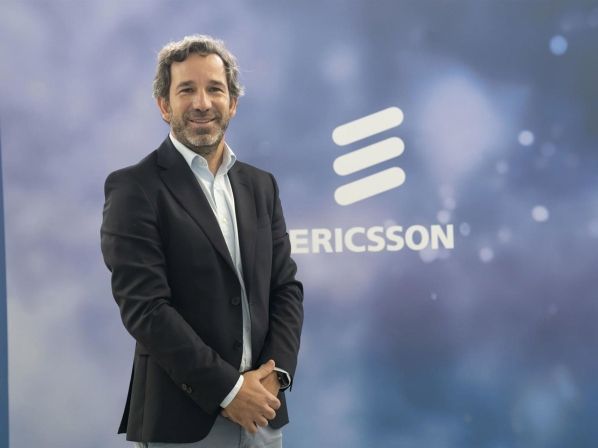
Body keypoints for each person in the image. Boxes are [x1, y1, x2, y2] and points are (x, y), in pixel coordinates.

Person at [100, 35, 304, 448]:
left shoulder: (261, 186)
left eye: (215, 89)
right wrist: (230, 391)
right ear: (164, 105)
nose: (202, 103)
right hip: (183, 423)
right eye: (186, 90)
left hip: (264, 416)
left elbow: (285, 289)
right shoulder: (134, 188)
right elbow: (146, 308)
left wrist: (273, 377)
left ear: (233, 103)